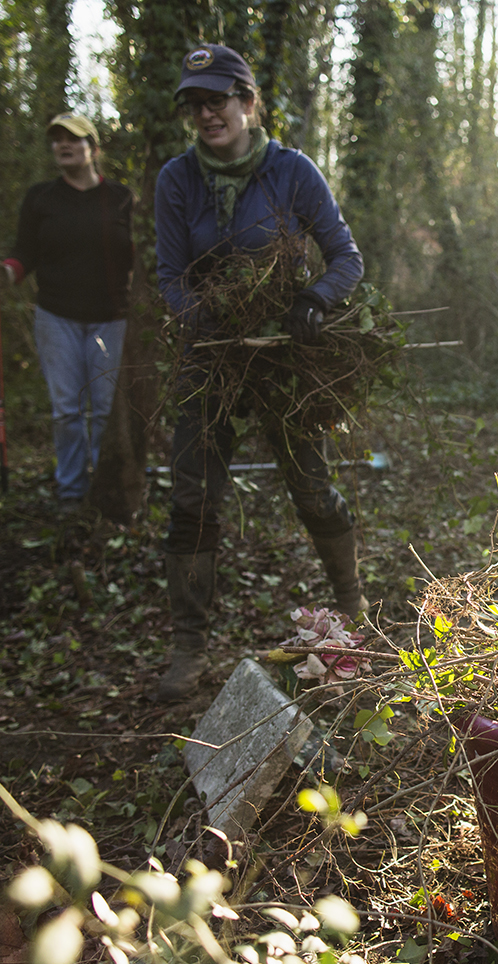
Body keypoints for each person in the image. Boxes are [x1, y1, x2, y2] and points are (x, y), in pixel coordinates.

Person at [154, 43, 368, 702]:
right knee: (193, 498)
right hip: (210, 357)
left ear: (247, 102)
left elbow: (346, 259)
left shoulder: (292, 171)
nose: (207, 114)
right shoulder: (176, 180)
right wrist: (204, 319)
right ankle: (189, 647)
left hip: (284, 357)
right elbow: (167, 276)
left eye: (217, 100)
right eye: (195, 104)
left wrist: (313, 301)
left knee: (311, 488)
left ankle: (355, 615)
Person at [0, 113, 135, 514]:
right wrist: (8, 271)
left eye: (74, 139)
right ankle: (71, 491)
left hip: (112, 317)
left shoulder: (121, 198)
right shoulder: (41, 198)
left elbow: (141, 257)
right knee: (67, 410)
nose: (64, 145)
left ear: (93, 149)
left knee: (104, 410)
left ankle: (104, 487)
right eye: (57, 140)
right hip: (57, 317)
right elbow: (25, 253)